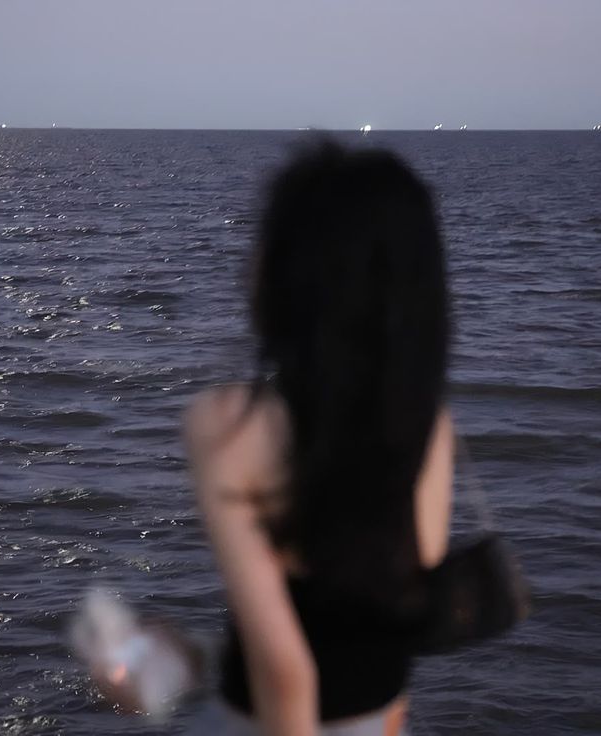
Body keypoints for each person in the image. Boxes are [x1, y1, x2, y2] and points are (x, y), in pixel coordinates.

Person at [184, 140, 453, 736]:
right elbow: (389, 615)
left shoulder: (229, 423)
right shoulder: (429, 424)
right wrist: (198, 652)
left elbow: (286, 673)